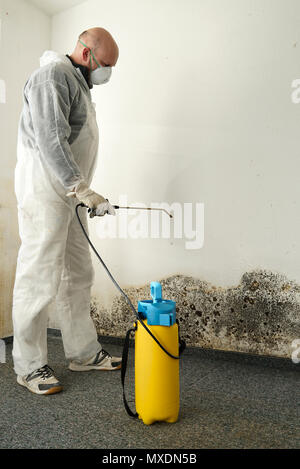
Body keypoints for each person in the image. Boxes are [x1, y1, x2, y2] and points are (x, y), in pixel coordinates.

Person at [12, 27, 121, 395]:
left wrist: (80, 192)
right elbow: (49, 137)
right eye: (106, 65)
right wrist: (81, 188)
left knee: (79, 273)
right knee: (39, 275)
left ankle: (83, 352)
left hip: (69, 194)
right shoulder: (52, 75)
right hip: (45, 190)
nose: (107, 73)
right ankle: (28, 366)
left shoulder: (78, 83)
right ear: (87, 53)